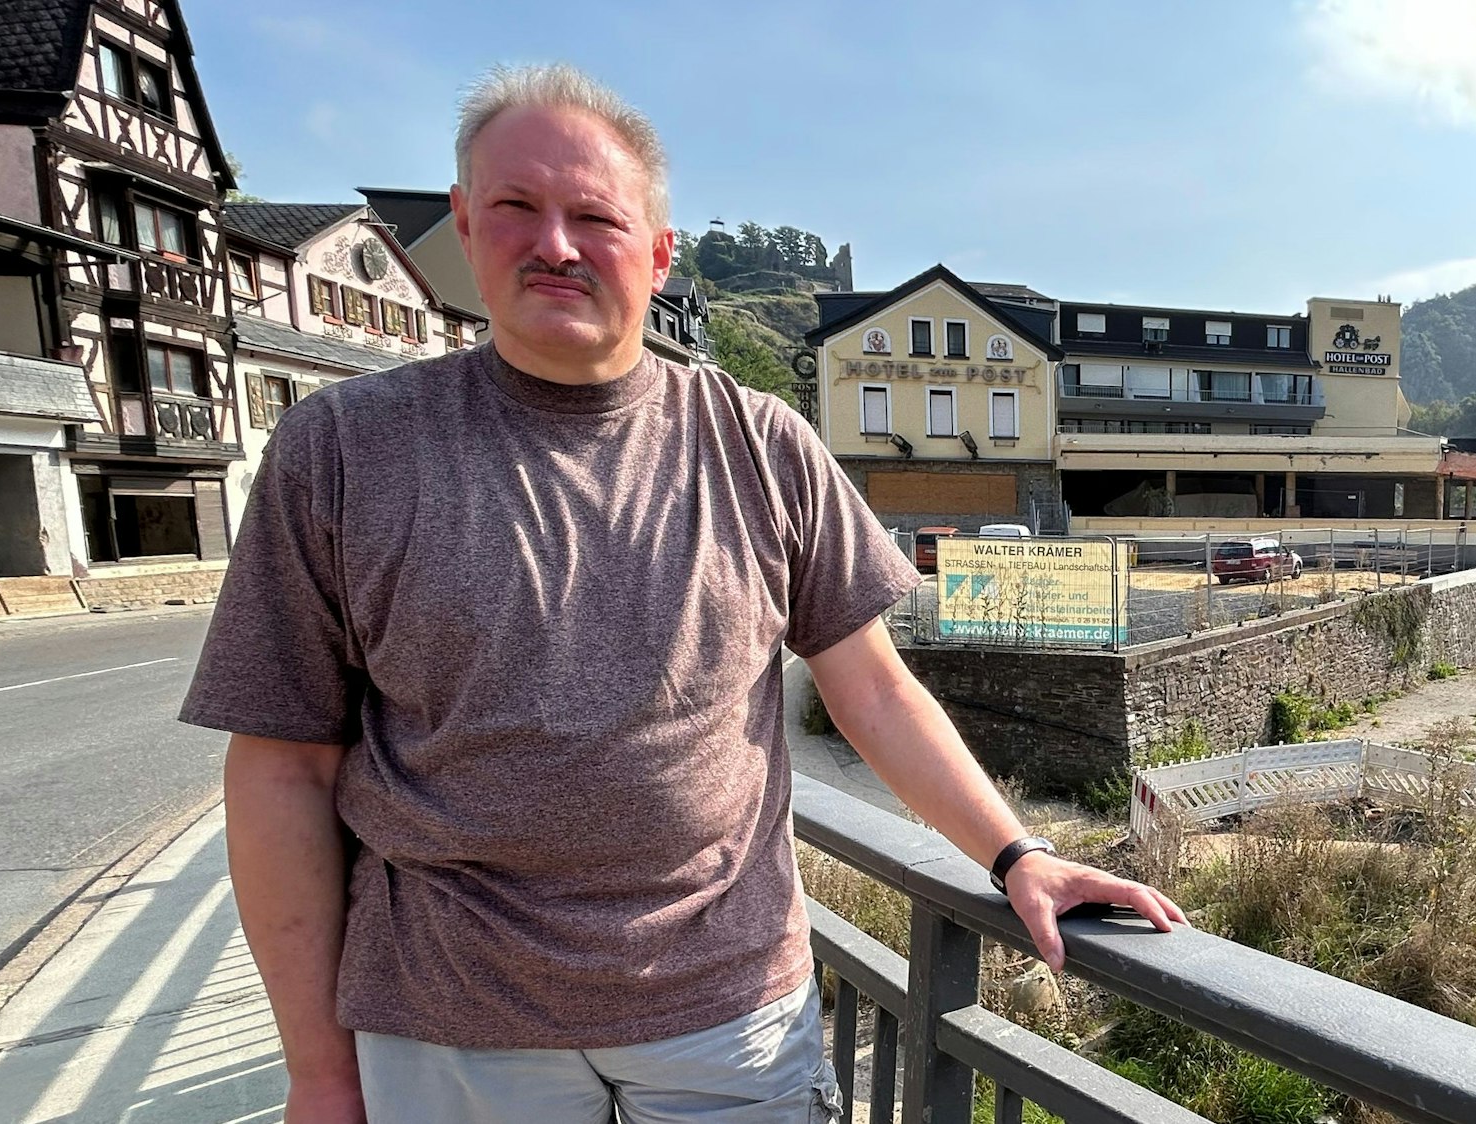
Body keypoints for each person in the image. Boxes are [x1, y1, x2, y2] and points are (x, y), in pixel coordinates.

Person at [181, 63, 1182, 1124]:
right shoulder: (343, 447)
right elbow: (283, 765)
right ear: (466, 229)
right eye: (518, 208)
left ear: (657, 255)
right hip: (447, 1019)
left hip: (727, 1009)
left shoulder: (761, 442)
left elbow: (873, 689)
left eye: (595, 217)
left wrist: (1017, 850)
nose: (556, 244)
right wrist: (319, 1070)